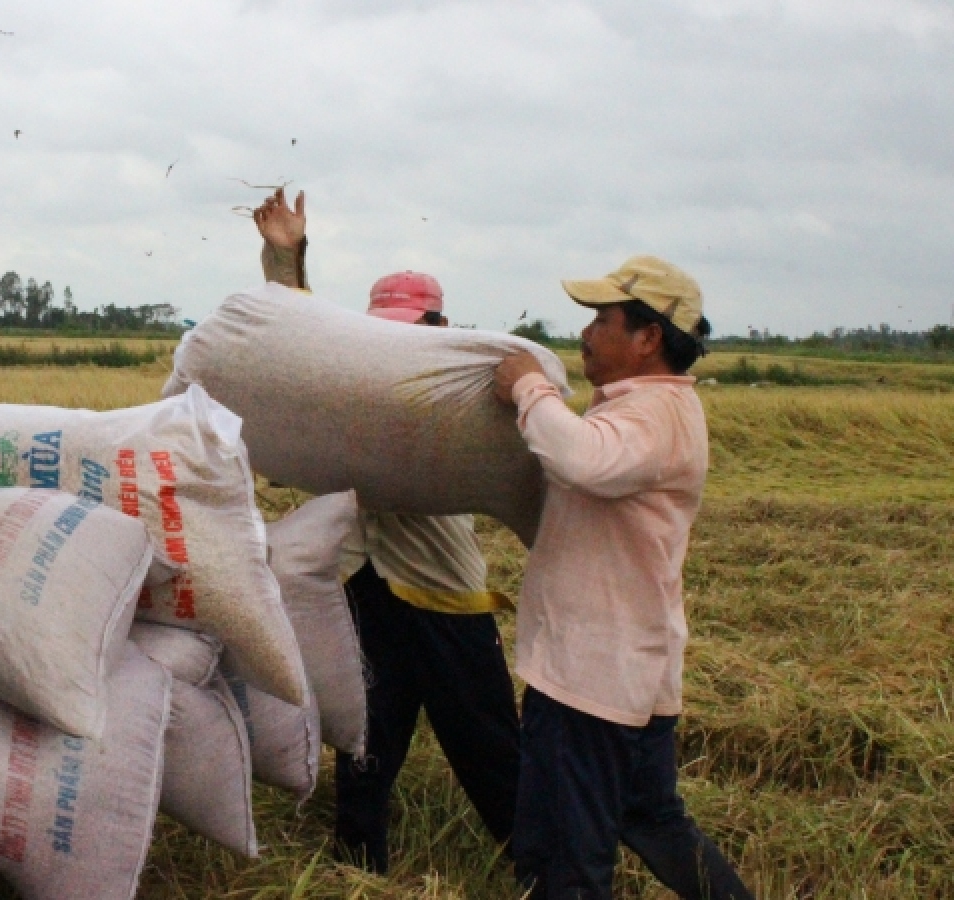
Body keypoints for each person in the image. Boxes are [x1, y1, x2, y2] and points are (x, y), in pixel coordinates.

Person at [253, 188, 521, 873]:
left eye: (416, 324)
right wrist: (288, 262)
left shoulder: (461, 396)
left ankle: (546, 870)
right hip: (367, 587)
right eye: (389, 326)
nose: (402, 337)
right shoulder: (363, 388)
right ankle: (356, 869)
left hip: (444, 598)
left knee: (489, 748)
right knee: (365, 741)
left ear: (443, 324)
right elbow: (302, 354)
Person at [492, 256, 752, 899]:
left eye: (602, 320)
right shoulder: (645, 410)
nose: (585, 333)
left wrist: (530, 388)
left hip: (591, 677)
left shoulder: (651, 416)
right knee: (653, 818)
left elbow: (583, 460)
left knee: (566, 856)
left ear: (647, 337)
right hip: (629, 667)